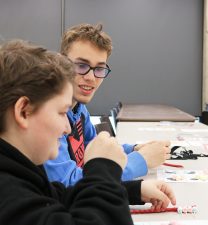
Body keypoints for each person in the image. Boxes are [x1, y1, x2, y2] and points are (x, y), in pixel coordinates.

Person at [0, 40, 176, 225]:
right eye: (61, 113)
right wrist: (105, 169)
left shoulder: (21, 172)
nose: (67, 128)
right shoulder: (8, 195)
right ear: (23, 111)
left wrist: (133, 190)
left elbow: (57, 196)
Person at [44, 23, 171, 186]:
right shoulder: (47, 114)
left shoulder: (79, 108)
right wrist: (142, 160)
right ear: (61, 63)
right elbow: (67, 183)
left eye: (99, 69)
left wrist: (134, 149)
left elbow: (94, 146)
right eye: (81, 65)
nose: (91, 77)